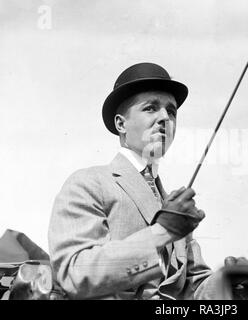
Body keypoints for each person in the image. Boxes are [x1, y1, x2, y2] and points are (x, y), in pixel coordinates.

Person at [48, 62, 215, 300]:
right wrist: (163, 231)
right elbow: (74, 274)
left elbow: (194, 287)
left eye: (171, 111)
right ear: (121, 124)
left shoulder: (172, 205)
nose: (164, 118)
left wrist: (230, 281)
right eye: (150, 108)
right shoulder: (88, 183)